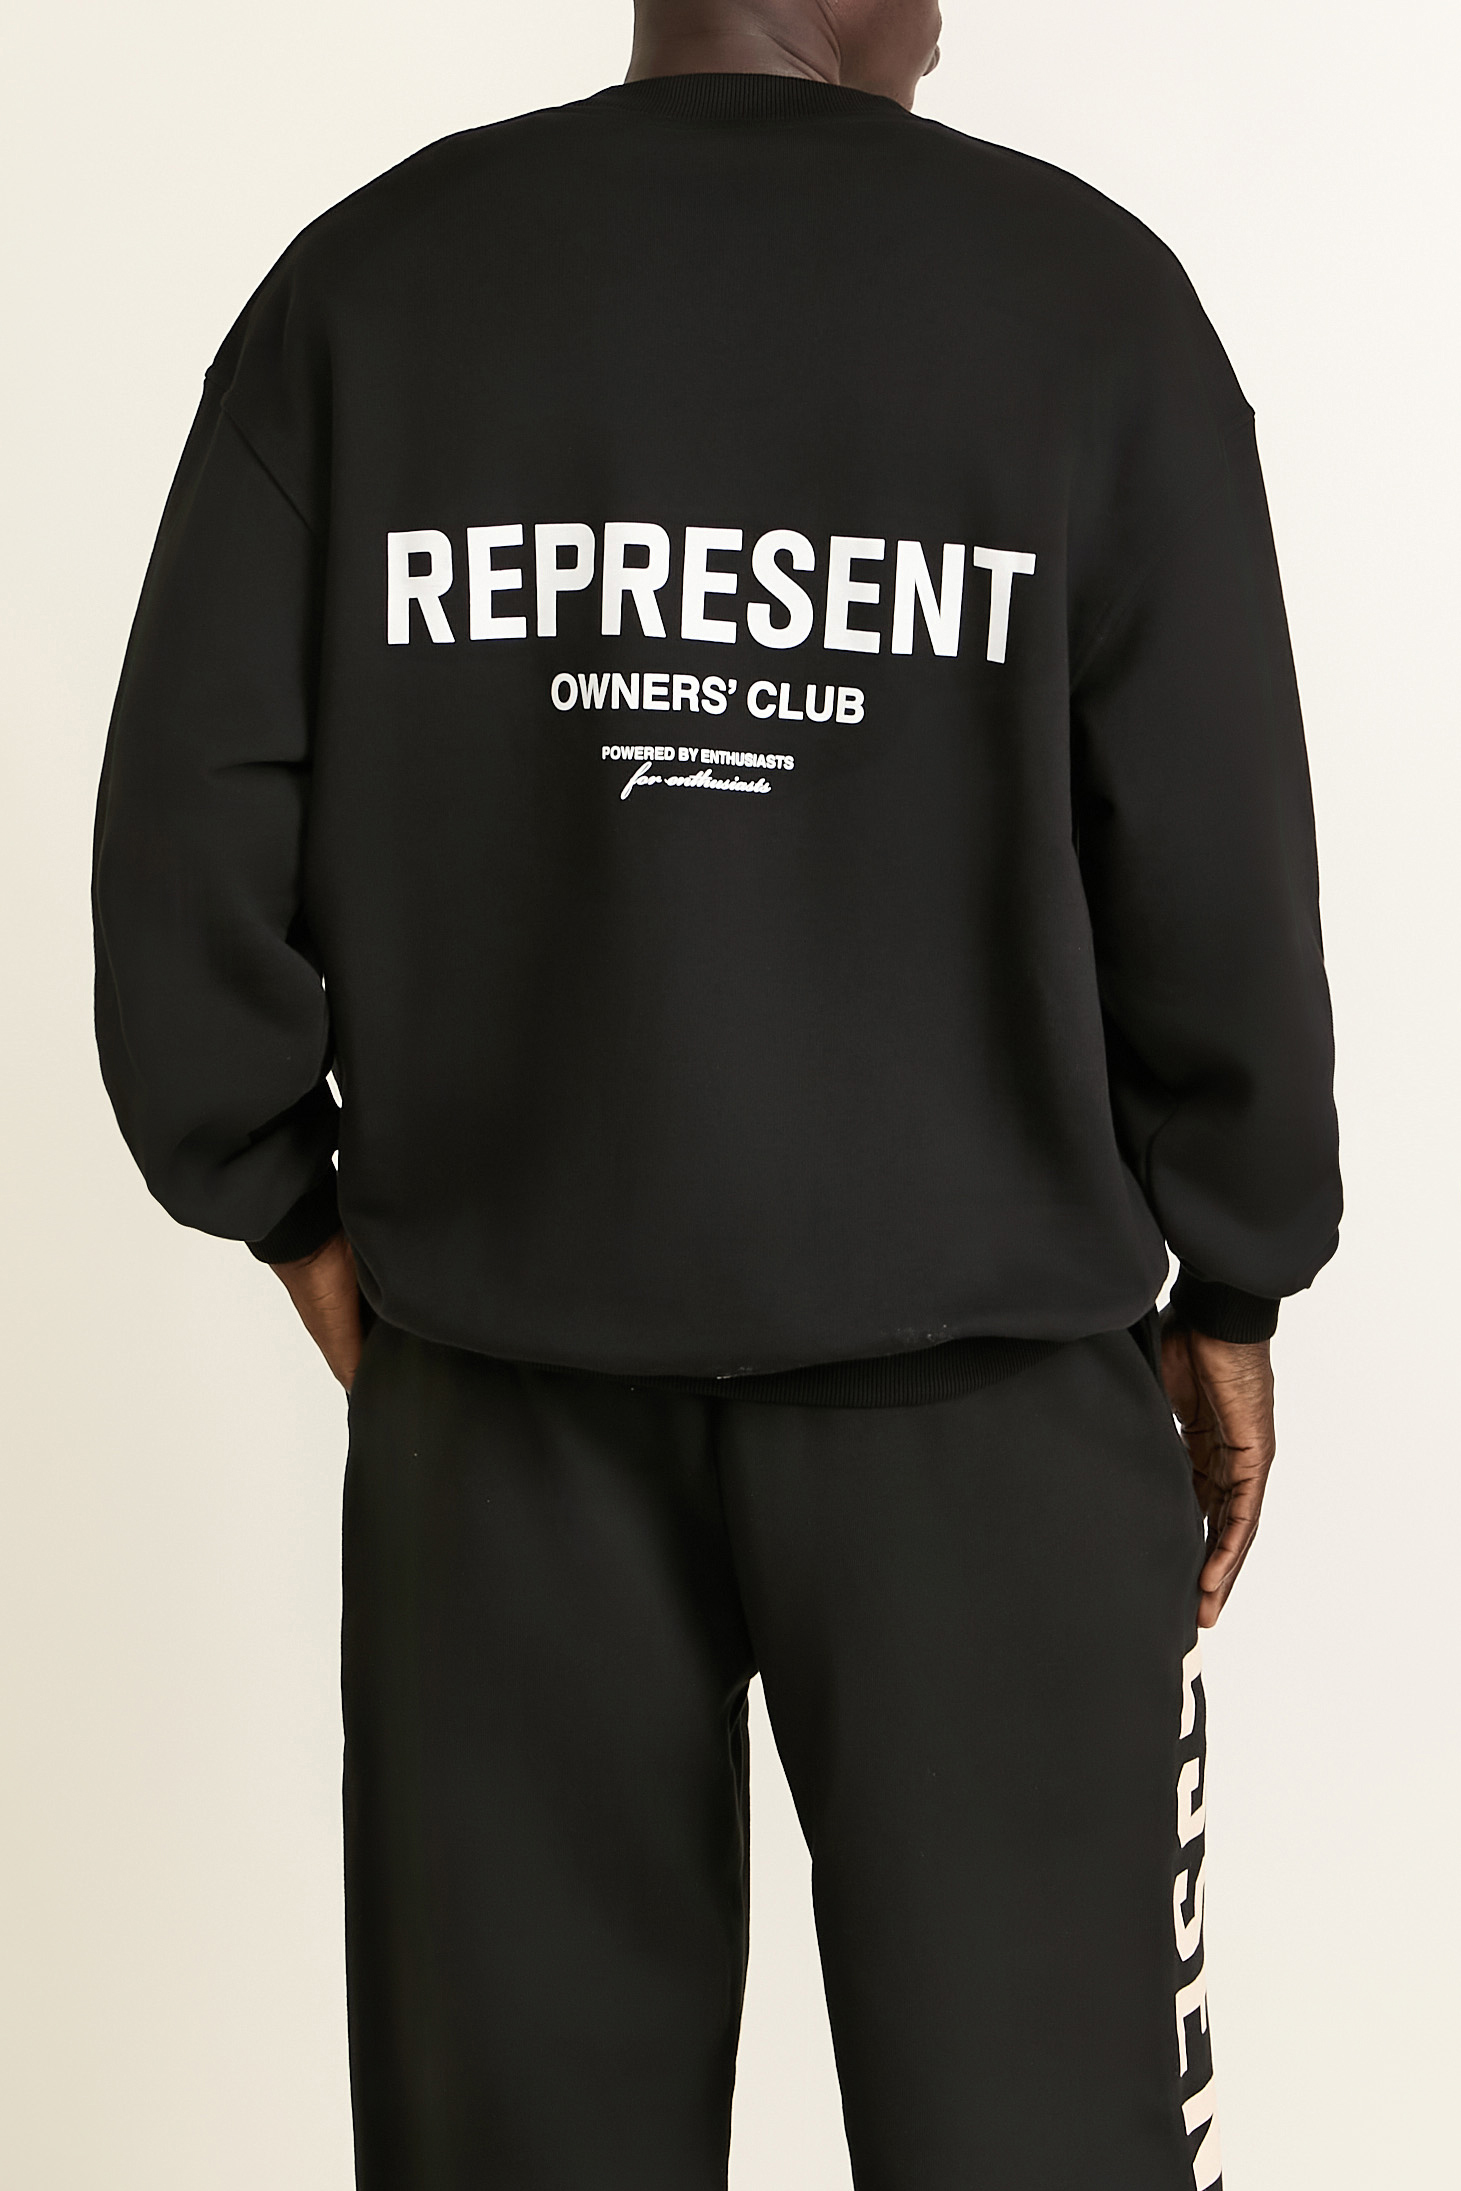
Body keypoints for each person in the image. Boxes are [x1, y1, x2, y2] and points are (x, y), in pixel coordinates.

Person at [91, 0, 1340, 2182]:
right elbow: (1212, 861)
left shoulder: (369, 294)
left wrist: (290, 1199)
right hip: (985, 1419)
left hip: (504, 1409)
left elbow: (182, 847)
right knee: (1047, 2145)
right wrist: (1230, 1275)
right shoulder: (1084, 307)